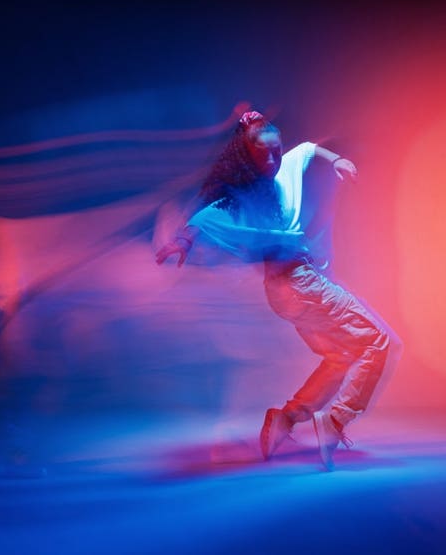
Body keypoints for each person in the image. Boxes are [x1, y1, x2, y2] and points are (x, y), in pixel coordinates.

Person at [155, 110, 401, 470]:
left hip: (286, 294)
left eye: (276, 151)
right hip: (301, 286)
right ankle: (335, 421)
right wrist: (183, 240)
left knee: (339, 356)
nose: (272, 160)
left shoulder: (287, 165)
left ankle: (285, 419)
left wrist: (337, 159)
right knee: (379, 342)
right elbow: (204, 217)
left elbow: (308, 148)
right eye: (263, 154)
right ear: (247, 157)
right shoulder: (243, 198)